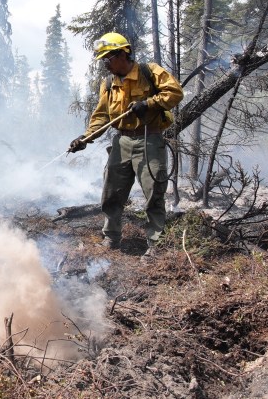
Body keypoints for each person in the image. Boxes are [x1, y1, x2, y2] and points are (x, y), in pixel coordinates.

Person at [68, 33, 183, 260]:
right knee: (112, 193)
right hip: (121, 141)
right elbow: (101, 116)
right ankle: (111, 237)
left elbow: (175, 92)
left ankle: (156, 246)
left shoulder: (149, 72)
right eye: (103, 60)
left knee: (153, 195)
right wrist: (85, 138)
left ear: (122, 54)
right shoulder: (109, 84)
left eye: (108, 59)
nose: (105, 64)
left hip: (149, 139)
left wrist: (148, 104)